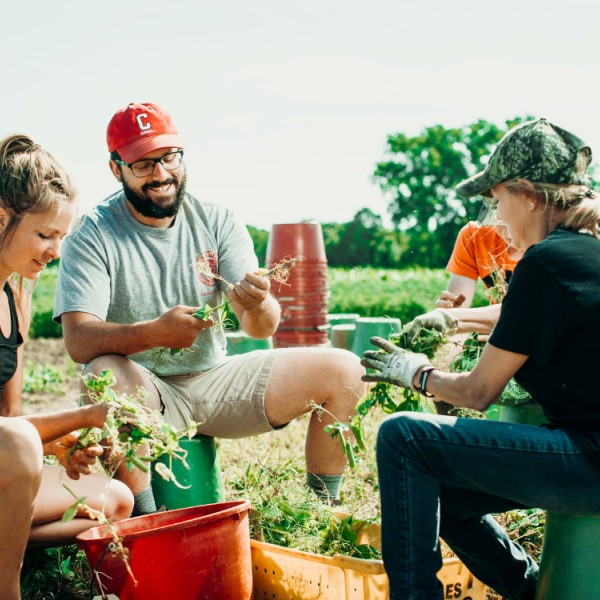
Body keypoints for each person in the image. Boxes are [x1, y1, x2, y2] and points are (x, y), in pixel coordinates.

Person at [53, 102, 365, 515]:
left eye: (169, 158)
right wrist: (154, 334)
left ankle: (325, 510)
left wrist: (255, 303)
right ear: (116, 169)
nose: (161, 174)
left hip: (215, 380)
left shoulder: (217, 220)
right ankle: (146, 524)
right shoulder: (92, 233)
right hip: (145, 389)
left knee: (346, 371)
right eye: (144, 165)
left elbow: (260, 328)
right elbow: (78, 339)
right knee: (103, 374)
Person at [361, 118, 600, 600]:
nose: (495, 216)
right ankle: (528, 589)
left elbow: (478, 391)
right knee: (444, 498)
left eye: (498, 200)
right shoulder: (582, 254)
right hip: (587, 449)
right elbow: (520, 315)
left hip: (590, 461)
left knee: (404, 437)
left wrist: (417, 373)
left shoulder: (545, 263)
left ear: (528, 195)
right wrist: (455, 320)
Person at [0, 134, 133, 600]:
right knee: (19, 444)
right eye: (44, 234)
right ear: (1, 217)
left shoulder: (14, 300)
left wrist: (56, 445)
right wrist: (83, 416)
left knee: (116, 500)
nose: (56, 251)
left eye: (62, 236)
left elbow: (11, 424)